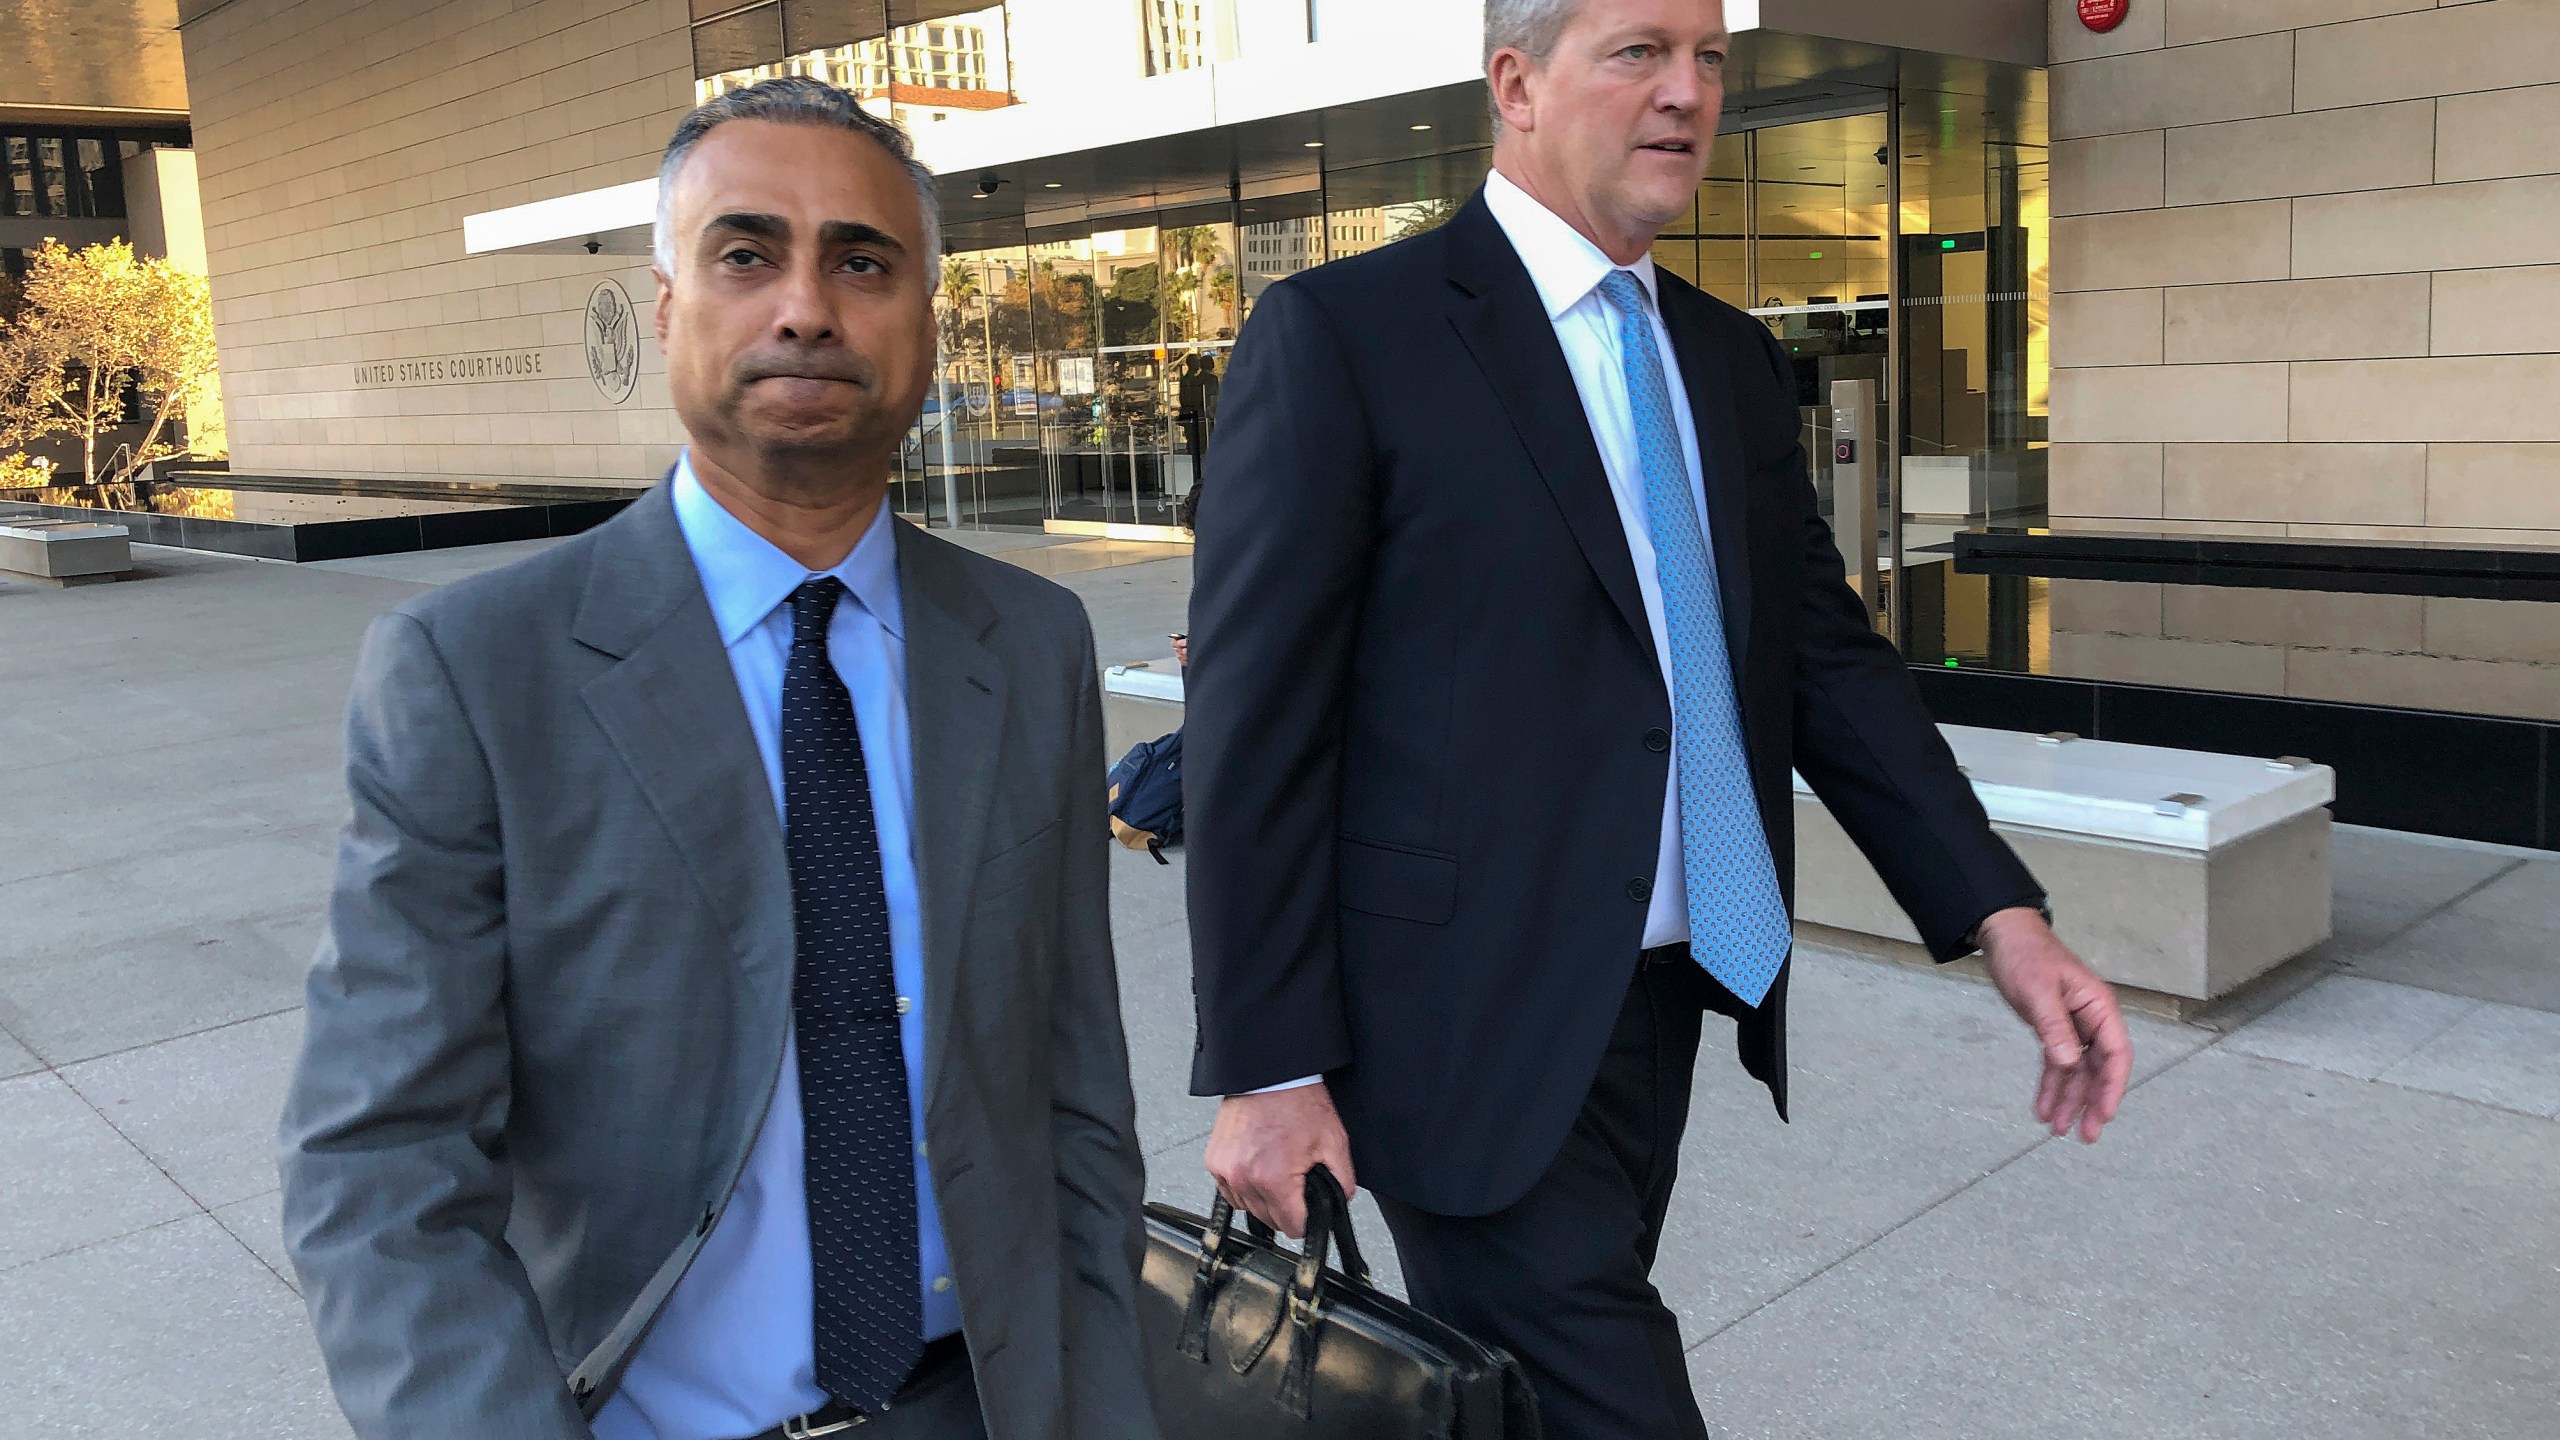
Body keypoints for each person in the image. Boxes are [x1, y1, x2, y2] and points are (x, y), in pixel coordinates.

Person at [1181, 3, 2134, 1437]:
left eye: (1709, 59)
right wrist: (1266, 1066)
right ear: (1516, 82)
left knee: (1519, 1410)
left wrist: (2002, 914)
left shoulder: (1728, 360)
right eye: (1639, 51)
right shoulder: (1348, 336)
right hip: (1454, 1032)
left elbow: (1826, 661)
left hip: (1667, 1000)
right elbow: (1254, 721)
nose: (1687, 93)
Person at [279, 78, 1158, 1440]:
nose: (807, 306)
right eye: (747, 255)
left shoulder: (1029, 643)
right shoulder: (476, 670)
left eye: (863, 262)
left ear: (925, 320)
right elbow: (382, 1166)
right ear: (668, 308)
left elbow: (1076, 1095)